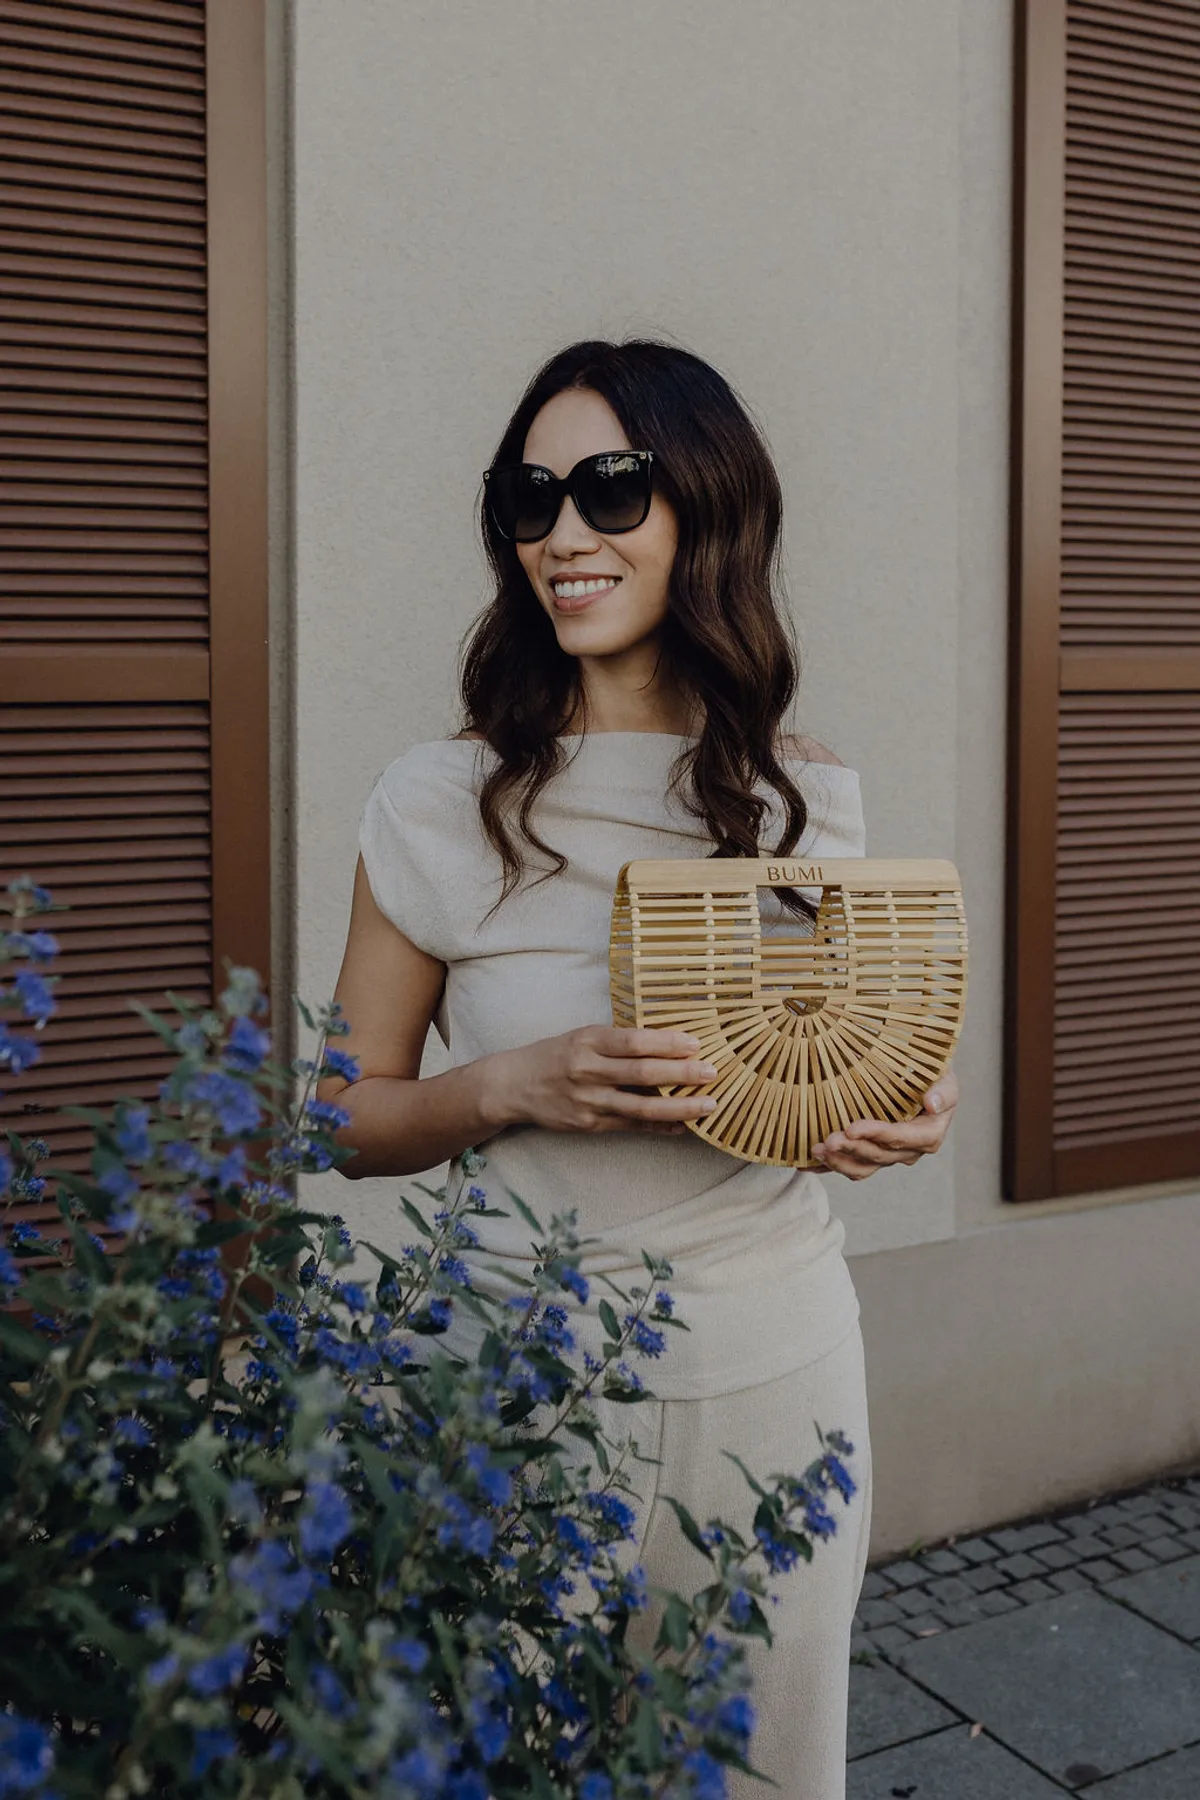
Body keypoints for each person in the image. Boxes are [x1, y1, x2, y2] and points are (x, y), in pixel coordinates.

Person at [320, 339, 958, 1799]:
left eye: (611, 489)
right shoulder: (440, 800)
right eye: (530, 497)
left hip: (771, 1370)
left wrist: (884, 1111)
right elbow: (339, 1118)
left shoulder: (794, 796)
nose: (564, 533)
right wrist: (510, 1086)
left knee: (757, 1773)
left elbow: (802, 1067)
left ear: (707, 510)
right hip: (508, 1381)